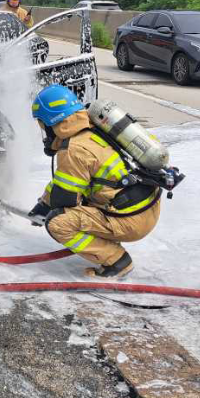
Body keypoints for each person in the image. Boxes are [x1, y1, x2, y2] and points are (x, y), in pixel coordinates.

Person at [28, 85, 161, 279]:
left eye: (43, 125)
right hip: (147, 207)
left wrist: (48, 209)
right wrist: (44, 202)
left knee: (58, 222)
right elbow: (67, 180)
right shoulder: (92, 128)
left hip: (131, 221)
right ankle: (108, 242)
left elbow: (65, 198)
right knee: (80, 202)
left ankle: (117, 261)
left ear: (53, 122)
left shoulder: (74, 149)